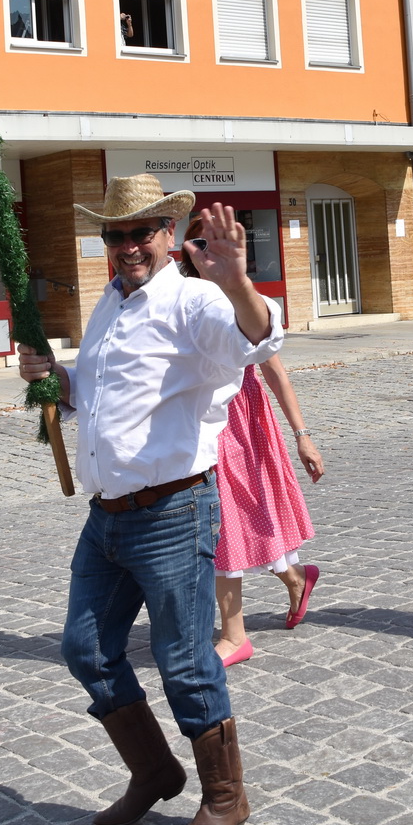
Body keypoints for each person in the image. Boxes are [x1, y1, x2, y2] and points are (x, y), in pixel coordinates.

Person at [17, 175, 281, 825]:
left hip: (173, 511)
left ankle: (227, 798)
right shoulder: (108, 301)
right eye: (116, 232)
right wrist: (53, 377)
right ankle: (156, 773)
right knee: (87, 649)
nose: (128, 244)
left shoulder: (196, 299)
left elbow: (260, 338)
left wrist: (238, 280)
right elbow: (95, 392)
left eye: (142, 230)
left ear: (169, 233)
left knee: (187, 660)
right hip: (107, 516)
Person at [178, 251, 326, 668]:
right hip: (195, 420)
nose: (205, 258)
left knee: (228, 520)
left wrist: (303, 436)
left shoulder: (239, 302)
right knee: (229, 520)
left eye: (212, 248)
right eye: (197, 249)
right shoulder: (180, 299)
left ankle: (233, 634)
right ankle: (296, 578)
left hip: (239, 424)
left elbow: (275, 373)